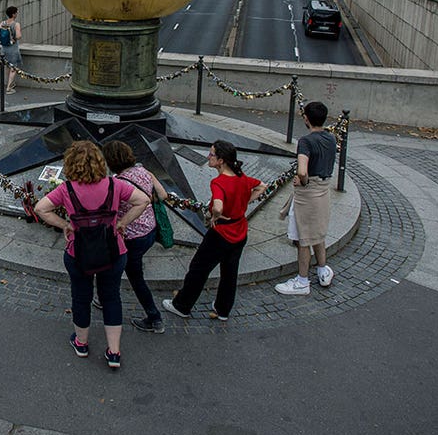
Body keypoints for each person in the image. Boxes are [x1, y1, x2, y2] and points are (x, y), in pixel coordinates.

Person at [33, 141, 149, 370]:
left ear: (70, 164)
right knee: (111, 298)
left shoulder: (66, 189)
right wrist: (122, 223)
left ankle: (82, 343)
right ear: (99, 162)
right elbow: (143, 200)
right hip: (113, 251)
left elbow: (40, 208)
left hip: (79, 253)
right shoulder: (115, 185)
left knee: (81, 297)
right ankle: (114, 352)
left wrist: (66, 225)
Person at [162, 141, 265, 321]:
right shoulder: (242, 178)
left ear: (221, 161)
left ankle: (182, 305)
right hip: (239, 230)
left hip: (220, 234)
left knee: (198, 269)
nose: (209, 157)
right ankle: (223, 309)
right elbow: (262, 186)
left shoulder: (218, 182)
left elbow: (217, 206)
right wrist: (245, 202)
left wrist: (216, 215)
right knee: (230, 272)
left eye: (212, 155)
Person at [100, 140, 168, 334]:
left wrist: (123, 219)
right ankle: (104, 296)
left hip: (130, 237)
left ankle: (154, 318)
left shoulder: (117, 183)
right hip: (150, 231)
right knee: (115, 265)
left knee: (135, 277)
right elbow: (162, 195)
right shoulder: (145, 171)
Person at [275, 101, 338, 296]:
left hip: (308, 194)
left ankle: (302, 281)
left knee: (303, 238)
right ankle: (322, 269)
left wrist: (302, 181)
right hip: (323, 191)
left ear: (306, 119)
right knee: (318, 233)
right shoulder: (331, 138)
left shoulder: (305, 141)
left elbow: (302, 171)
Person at [0, 5, 22, 94]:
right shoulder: (16, 24)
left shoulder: (3, 23)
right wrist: (14, 36)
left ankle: (9, 83)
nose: (17, 14)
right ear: (13, 14)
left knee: (7, 66)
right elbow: (18, 36)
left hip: (4, 49)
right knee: (13, 68)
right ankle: (9, 88)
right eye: (16, 12)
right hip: (13, 49)